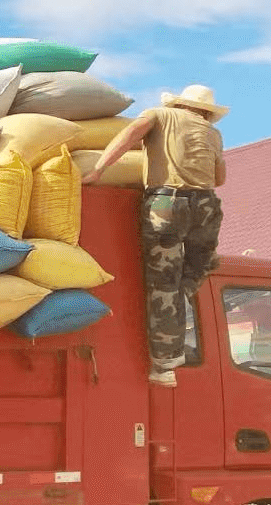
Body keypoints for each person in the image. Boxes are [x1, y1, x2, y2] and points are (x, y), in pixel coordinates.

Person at [84, 84, 228, 388]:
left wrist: (98, 169)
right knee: (198, 267)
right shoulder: (212, 134)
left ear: (179, 105)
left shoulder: (160, 115)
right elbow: (220, 178)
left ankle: (164, 366)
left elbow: (132, 132)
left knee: (163, 282)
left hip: (167, 202)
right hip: (206, 205)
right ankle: (180, 306)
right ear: (205, 112)